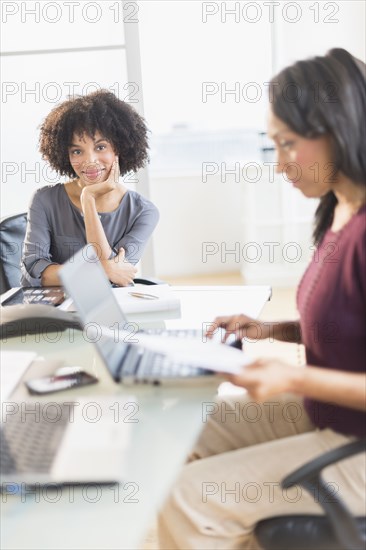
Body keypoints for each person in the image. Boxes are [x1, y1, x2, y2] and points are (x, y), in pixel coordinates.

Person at [158, 48, 366, 549]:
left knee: (189, 497)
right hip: (331, 413)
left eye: (289, 144)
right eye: (273, 146)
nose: (280, 165)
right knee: (181, 431)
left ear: (338, 127)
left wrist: (291, 375)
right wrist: (273, 330)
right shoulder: (337, 211)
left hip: (357, 444)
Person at [21, 90, 159, 287]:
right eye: (77, 151)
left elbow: (117, 275)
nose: (90, 161)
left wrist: (88, 199)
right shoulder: (44, 199)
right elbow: (36, 272)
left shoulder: (143, 212)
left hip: (109, 309)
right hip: (54, 310)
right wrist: (103, 269)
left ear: (118, 148)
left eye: (100, 147)